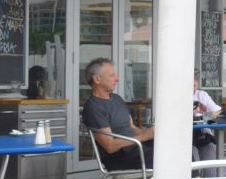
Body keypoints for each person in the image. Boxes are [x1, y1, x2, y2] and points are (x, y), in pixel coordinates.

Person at [82, 58, 216, 170]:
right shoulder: (93, 107)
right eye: (112, 75)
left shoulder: (117, 99)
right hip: (120, 156)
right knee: (175, 156)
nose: (117, 79)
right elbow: (110, 146)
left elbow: (133, 129)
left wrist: (153, 132)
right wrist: (145, 136)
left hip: (136, 148)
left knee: (182, 149)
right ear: (97, 79)